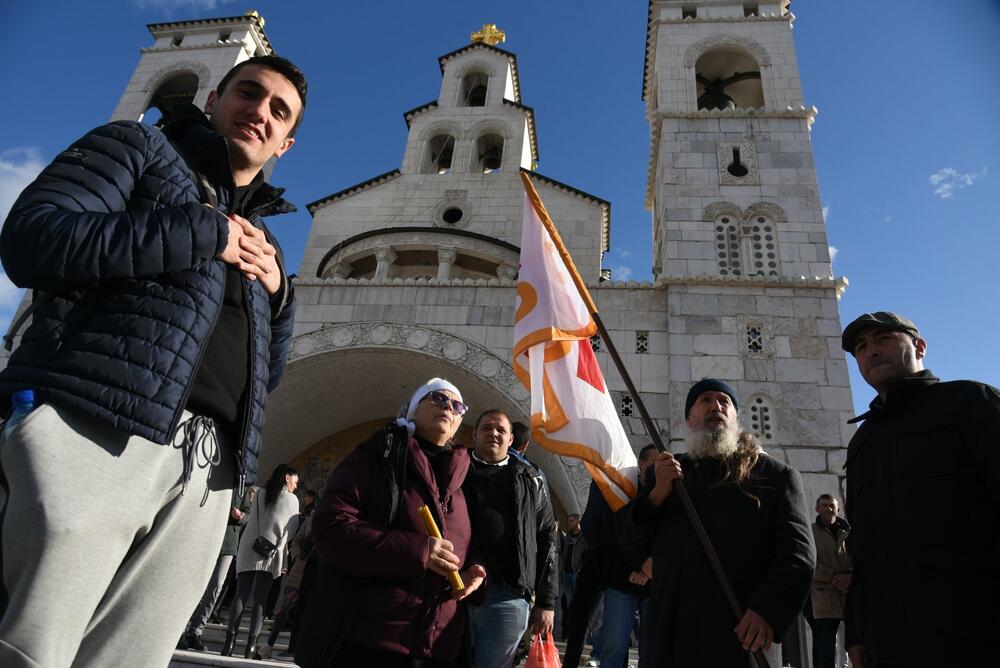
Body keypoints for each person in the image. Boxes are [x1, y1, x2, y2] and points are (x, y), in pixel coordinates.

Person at [0, 54, 306, 667]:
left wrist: (280, 300)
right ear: (215, 97)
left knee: (129, 659)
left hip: (205, 474)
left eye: (279, 112)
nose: (260, 113)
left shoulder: (263, 239)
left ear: (286, 145)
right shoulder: (137, 147)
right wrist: (199, 231)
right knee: (33, 643)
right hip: (96, 425)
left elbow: (262, 379)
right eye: (249, 93)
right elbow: (33, 239)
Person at [840, 311, 1000, 667]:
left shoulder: (970, 402)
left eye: (883, 339)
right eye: (862, 347)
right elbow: (862, 548)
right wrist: (857, 632)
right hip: (890, 637)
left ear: (919, 346)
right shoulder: (863, 441)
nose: (871, 351)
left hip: (973, 626)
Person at [618, 378, 814, 667]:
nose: (716, 406)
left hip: (738, 632)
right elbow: (627, 538)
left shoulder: (773, 476)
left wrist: (767, 610)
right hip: (671, 635)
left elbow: (798, 555)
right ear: (689, 417)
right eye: (705, 400)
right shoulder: (667, 473)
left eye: (724, 401)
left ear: (736, 416)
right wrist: (657, 494)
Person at [301, 379, 486, 667]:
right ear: (412, 409)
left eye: (457, 405)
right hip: (373, 638)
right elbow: (331, 528)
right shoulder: (375, 457)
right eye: (437, 398)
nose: (448, 407)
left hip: (439, 646)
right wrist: (419, 551)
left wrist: (475, 569)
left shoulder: (465, 481)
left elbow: (471, 543)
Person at [463, 409, 558, 668]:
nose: (493, 433)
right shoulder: (456, 469)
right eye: (486, 428)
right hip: (456, 588)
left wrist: (547, 601)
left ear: (511, 439)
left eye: (501, 430)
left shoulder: (530, 477)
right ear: (474, 433)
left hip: (509, 593)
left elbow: (547, 537)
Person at [223, 464, 301, 658]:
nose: (296, 486)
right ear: (286, 478)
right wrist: (280, 549)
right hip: (270, 550)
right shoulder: (292, 500)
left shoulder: (260, 494)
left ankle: (228, 645)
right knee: (260, 599)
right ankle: (250, 647)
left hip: (249, 545)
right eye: (295, 481)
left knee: (240, 594)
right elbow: (290, 531)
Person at [180, 486, 255, 651]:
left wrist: (240, 515)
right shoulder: (217, 481)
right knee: (194, 585)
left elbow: (247, 515)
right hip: (206, 538)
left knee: (216, 587)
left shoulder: (244, 487)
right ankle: (180, 630)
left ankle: (196, 631)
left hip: (228, 544)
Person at [259, 487, 319, 659]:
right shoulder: (311, 520)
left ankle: (298, 648)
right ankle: (270, 645)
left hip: (318, 575)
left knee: (306, 614)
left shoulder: (333, 524)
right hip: (300, 571)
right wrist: (298, 556)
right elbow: (297, 541)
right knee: (284, 610)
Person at [805, 494, 850, 668]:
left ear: (838, 509)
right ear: (817, 509)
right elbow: (808, 563)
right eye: (824, 505)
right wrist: (832, 576)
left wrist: (850, 577)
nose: (828, 508)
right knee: (825, 651)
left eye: (831, 505)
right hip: (821, 600)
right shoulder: (810, 532)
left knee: (851, 649)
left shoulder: (848, 533)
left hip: (847, 596)